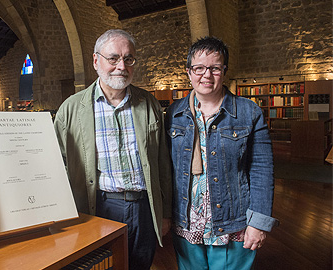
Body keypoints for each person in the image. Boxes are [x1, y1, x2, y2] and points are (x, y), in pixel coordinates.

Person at [54, 29, 172, 270]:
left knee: (141, 265)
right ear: (96, 61)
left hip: (144, 209)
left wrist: (165, 212)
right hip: (99, 208)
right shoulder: (71, 108)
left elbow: (162, 162)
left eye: (128, 59)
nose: (122, 66)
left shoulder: (148, 102)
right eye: (113, 58)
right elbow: (58, 166)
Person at [165, 36, 279, 269]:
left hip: (232, 223)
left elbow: (262, 170)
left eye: (214, 68)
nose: (206, 75)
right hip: (186, 224)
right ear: (189, 72)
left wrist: (258, 223)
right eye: (199, 68)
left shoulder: (249, 112)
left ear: (224, 71)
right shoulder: (173, 114)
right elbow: (165, 169)